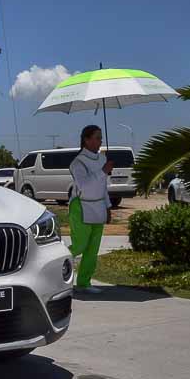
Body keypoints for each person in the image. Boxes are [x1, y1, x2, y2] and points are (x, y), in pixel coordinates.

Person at [68, 125, 113, 294]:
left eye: (101, 138)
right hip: (81, 206)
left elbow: (102, 187)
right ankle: (55, 267)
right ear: (86, 140)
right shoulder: (77, 163)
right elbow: (84, 186)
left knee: (92, 249)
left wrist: (108, 206)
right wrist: (103, 171)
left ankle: (84, 282)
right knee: (79, 246)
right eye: (97, 137)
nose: (100, 141)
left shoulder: (102, 159)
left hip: (98, 205)